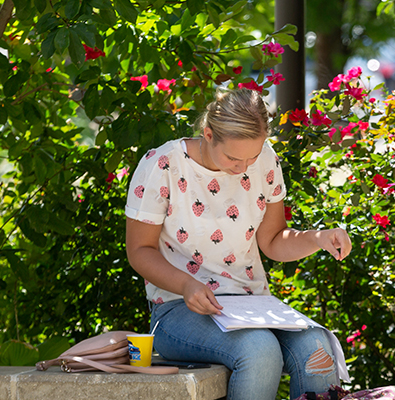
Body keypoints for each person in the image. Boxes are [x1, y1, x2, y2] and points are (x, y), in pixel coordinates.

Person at [124, 88, 352, 399]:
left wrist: (318, 238)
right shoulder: (162, 165)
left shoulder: (266, 160)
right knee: (259, 350)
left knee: (316, 347)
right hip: (177, 309)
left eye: (252, 157)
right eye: (233, 157)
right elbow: (140, 251)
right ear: (207, 134)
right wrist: (187, 284)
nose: (243, 167)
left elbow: (272, 240)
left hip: (252, 307)